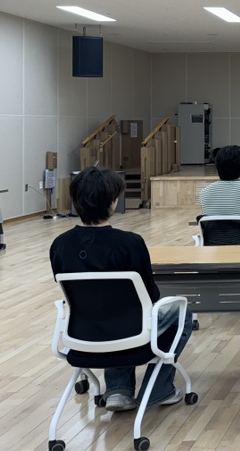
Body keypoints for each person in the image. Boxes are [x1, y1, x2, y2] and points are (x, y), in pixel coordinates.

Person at [49, 167, 192, 411]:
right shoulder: (130, 243)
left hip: (83, 332)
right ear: (113, 202)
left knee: (110, 310)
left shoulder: (60, 245)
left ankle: (118, 390)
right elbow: (150, 295)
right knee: (180, 313)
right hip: (129, 331)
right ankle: (159, 388)